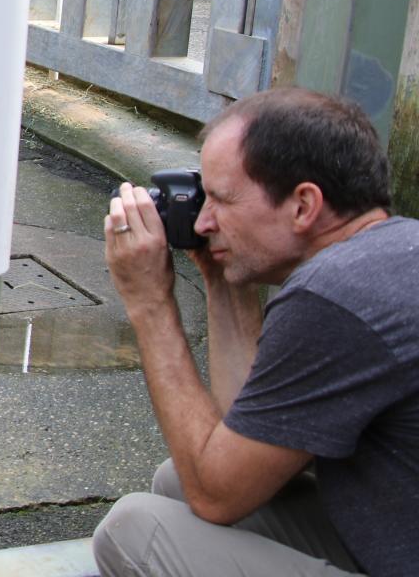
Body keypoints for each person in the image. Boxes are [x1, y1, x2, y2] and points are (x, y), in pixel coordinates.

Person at [92, 87, 419, 577]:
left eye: (221, 200)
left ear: (304, 205)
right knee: (174, 480)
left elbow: (215, 494)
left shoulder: (334, 297)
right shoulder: (390, 254)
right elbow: (244, 435)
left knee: (136, 531)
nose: (203, 220)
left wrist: (149, 302)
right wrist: (222, 282)